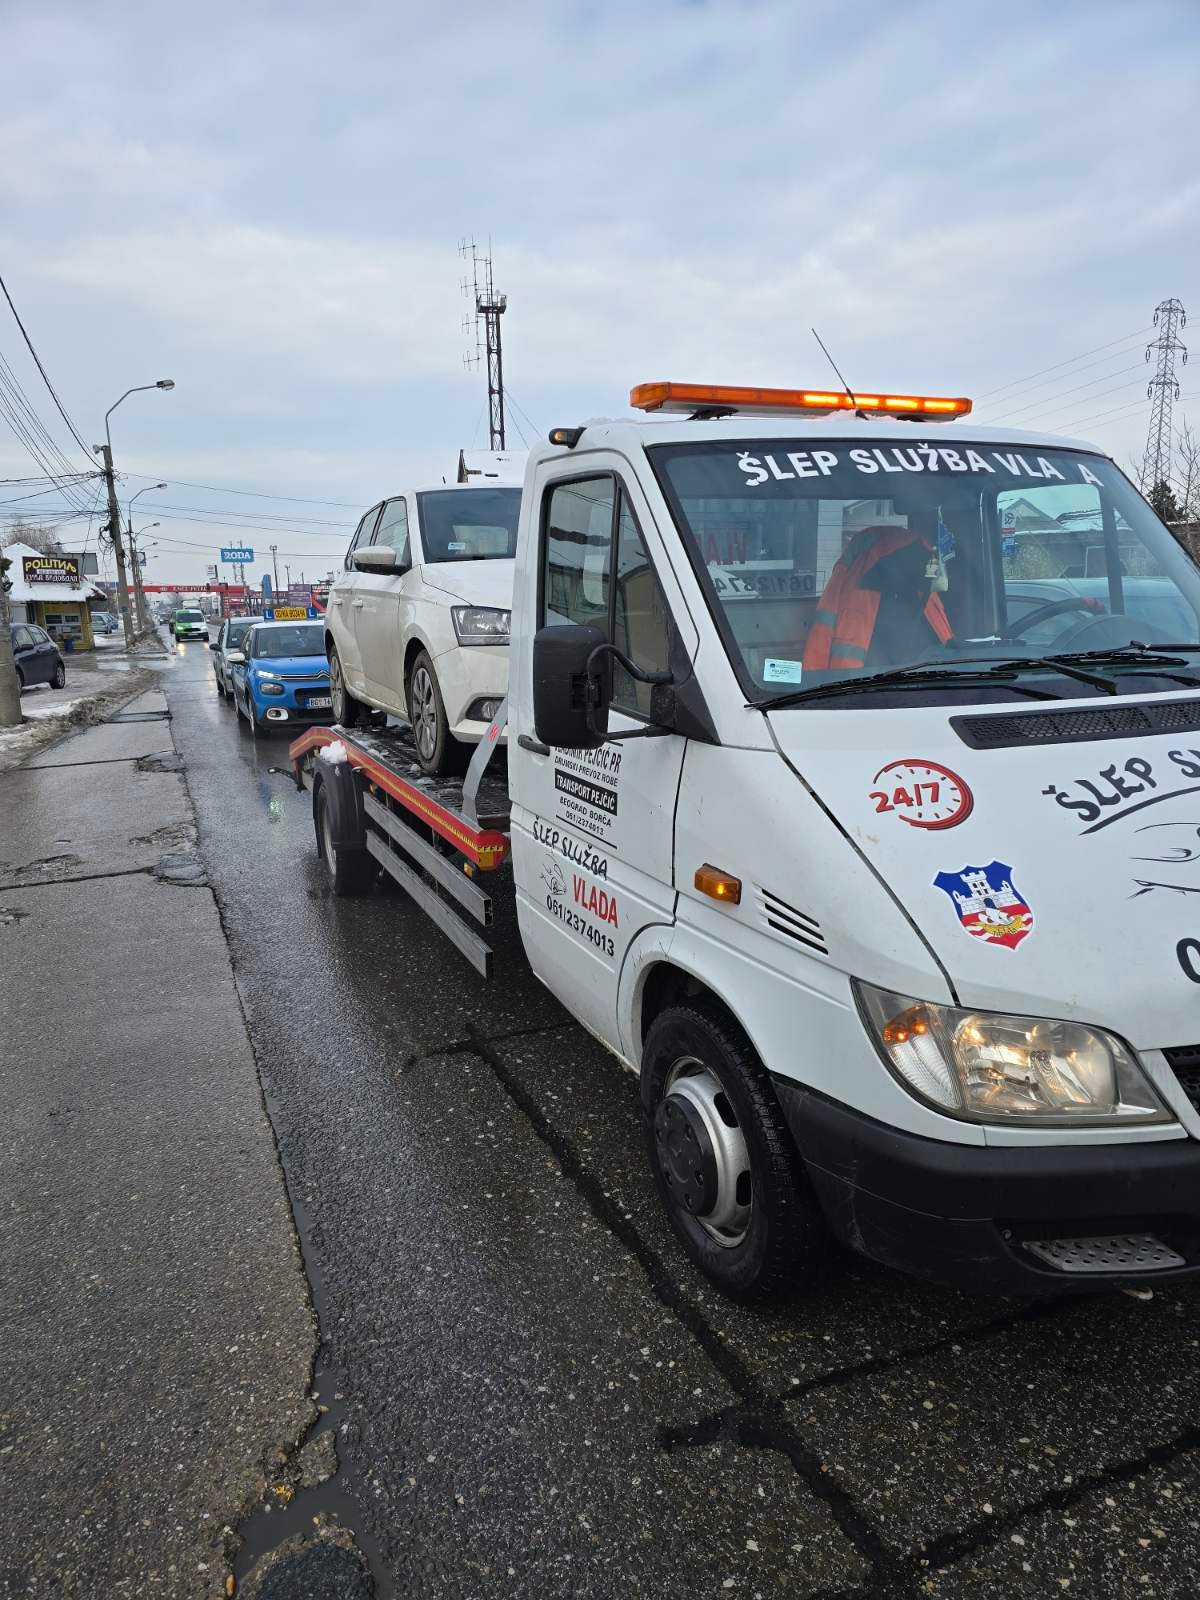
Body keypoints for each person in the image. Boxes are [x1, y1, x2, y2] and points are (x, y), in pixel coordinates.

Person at [803, 524, 953, 673]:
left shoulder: (926, 590)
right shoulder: (923, 579)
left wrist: (811, 679)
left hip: (923, 687)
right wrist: (810, 683)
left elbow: (951, 651)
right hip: (853, 690)